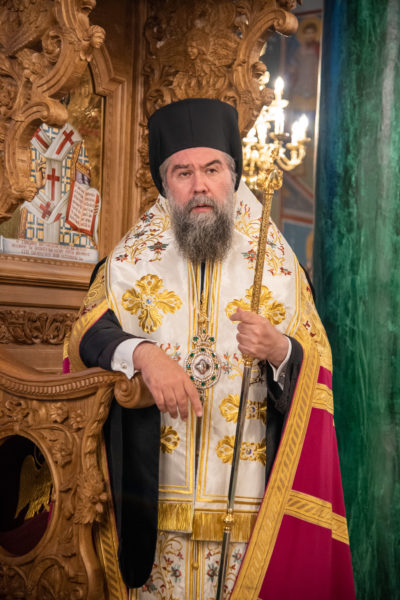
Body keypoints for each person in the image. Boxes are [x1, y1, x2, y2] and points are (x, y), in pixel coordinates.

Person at [66, 98, 355, 599]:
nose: (199, 185)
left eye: (212, 169)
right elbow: (86, 333)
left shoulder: (279, 267)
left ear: (234, 177)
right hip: (152, 507)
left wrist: (280, 349)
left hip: (248, 511)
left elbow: (318, 364)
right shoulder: (128, 262)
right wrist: (143, 354)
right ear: (165, 185)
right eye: (183, 172)